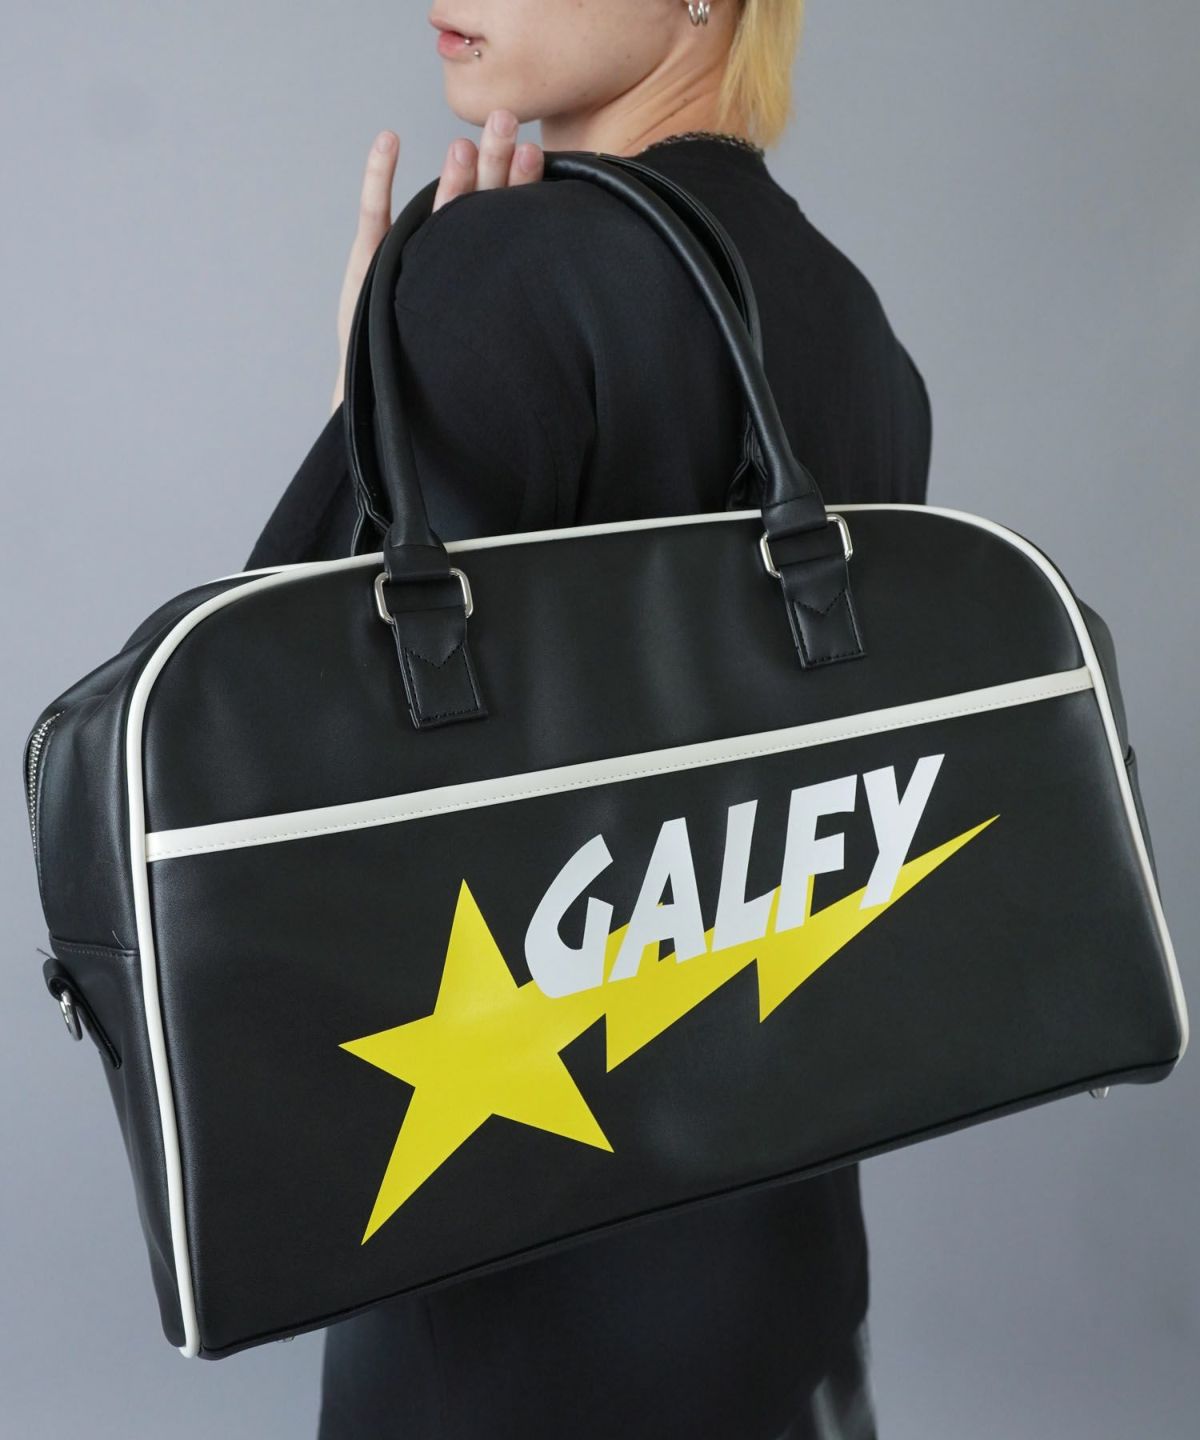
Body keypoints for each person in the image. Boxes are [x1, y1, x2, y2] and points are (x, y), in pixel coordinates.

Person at [245, 3, 930, 1435]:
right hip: (787, 1286)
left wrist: (364, 387)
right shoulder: (849, 317)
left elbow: (256, 754)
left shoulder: (498, 266)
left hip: (507, 1306)